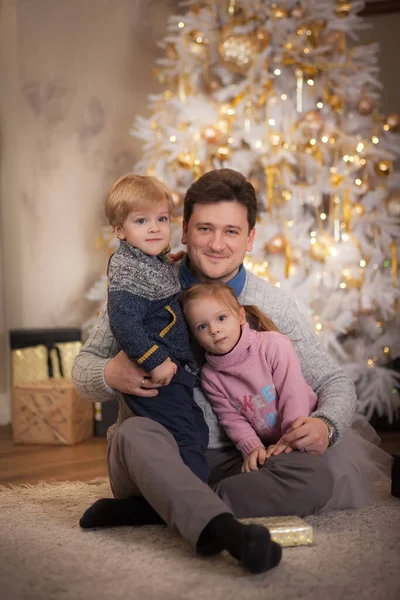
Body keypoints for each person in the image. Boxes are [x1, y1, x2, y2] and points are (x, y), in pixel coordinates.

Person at [73, 168, 354, 569]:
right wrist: (109, 374)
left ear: (250, 238)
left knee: (315, 478)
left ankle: (167, 509)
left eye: (232, 231)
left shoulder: (271, 303)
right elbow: (82, 369)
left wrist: (326, 424)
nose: (217, 244)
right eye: (205, 228)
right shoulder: (145, 282)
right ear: (183, 230)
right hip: (156, 455)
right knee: (134, 433)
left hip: (235, 463)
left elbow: (333, 380)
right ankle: (217, 523)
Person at [181, 281, 391, 506]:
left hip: (299, 433)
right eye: (202, 326)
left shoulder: (273, 345)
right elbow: (232, 419)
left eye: (222, 318)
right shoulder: (211, 376)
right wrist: (252, 448)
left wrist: (290, 440)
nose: (214, 329)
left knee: (309, 475)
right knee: (256, 469)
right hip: (265, 445)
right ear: (194, 335)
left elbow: (293, 393)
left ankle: (208, 503)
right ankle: (210, 501)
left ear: (241, 316)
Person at [104, 173, 209, 483]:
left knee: (197, 428)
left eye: (162, 219)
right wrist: (153, 359)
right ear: (120, 230)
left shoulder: (150, 260)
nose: (154, 228)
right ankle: (200, 505)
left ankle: (155, 504)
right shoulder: (127, 272)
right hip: (158, 373)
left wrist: (168, 260)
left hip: (175, 372)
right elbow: (124, 323)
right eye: (141, 221)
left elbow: (157, 269)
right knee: (186, 439)